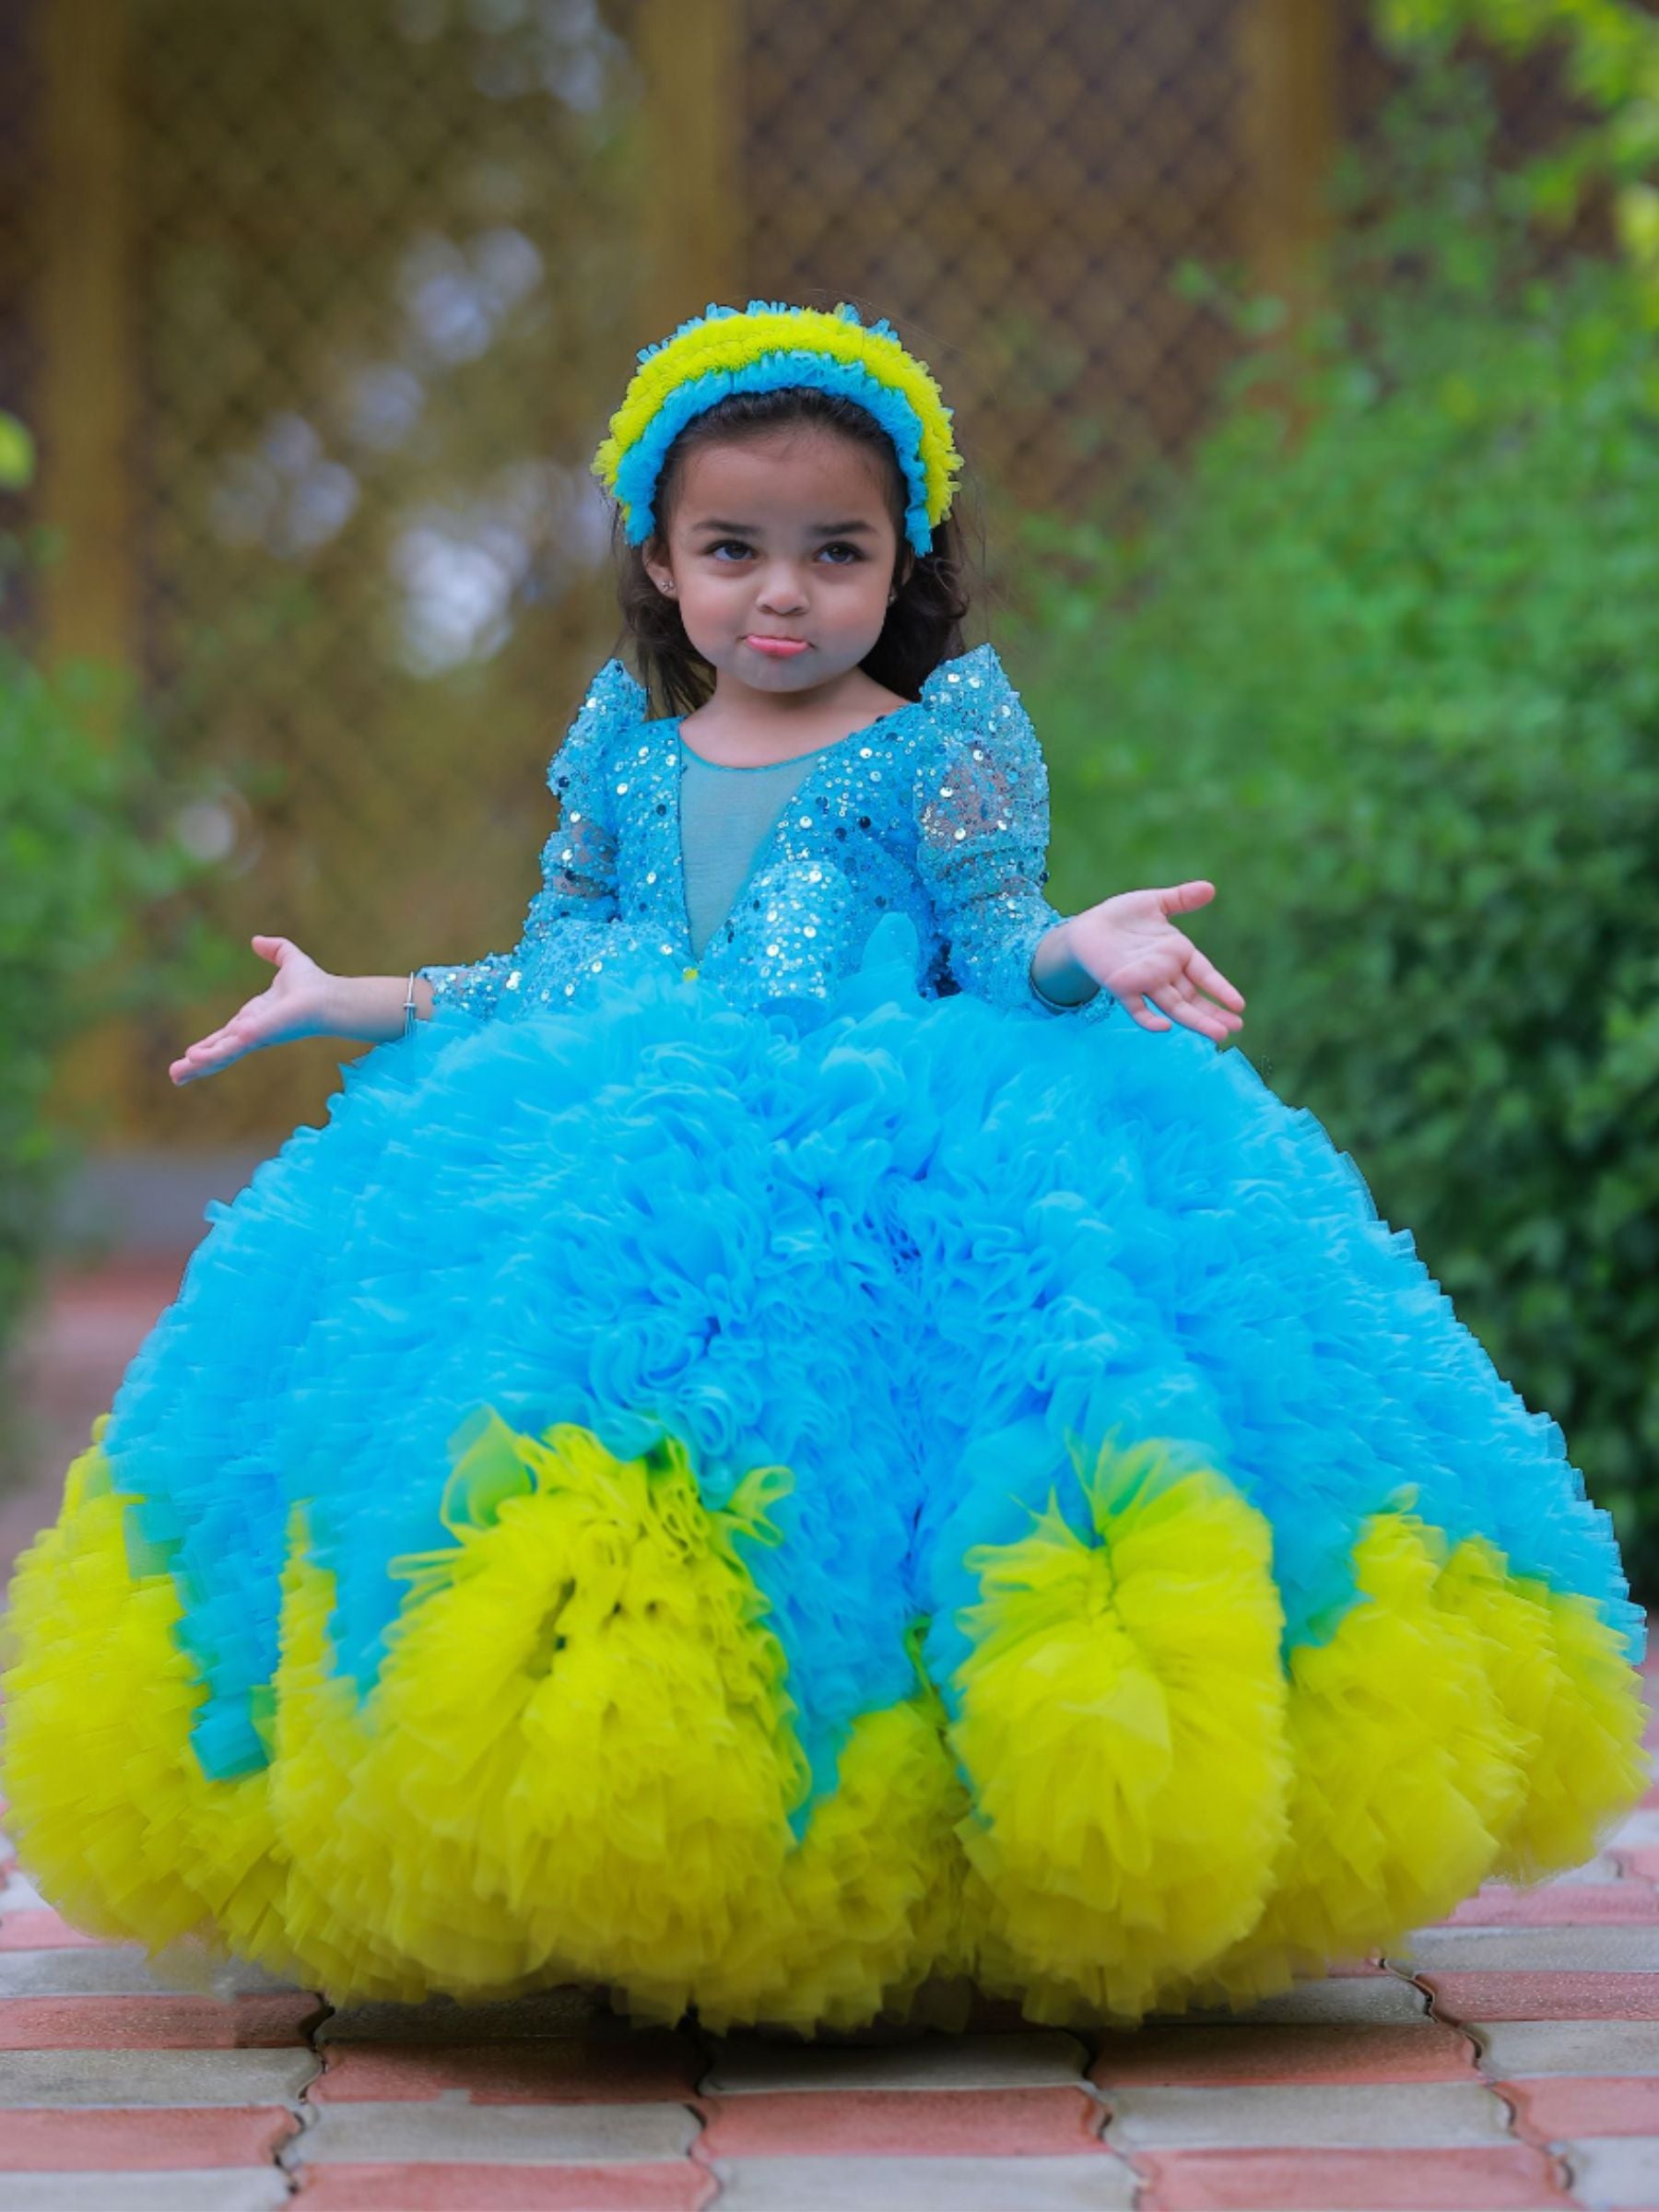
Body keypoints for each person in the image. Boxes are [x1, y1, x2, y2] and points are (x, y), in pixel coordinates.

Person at [3, 302, 1641, 2035]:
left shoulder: (937, 747)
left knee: (906, 1480)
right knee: (578, 1443)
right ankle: (631, 1819)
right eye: (734, 550)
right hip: (636, 1152)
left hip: (892, 1158)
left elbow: (999, 945)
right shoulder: (629, 758)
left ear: (901, 558)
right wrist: (359, 998)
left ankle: (911, 1845)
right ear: (657, 557)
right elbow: (561, 967)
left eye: (832, 552)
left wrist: (1090, 939)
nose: (780, 593)